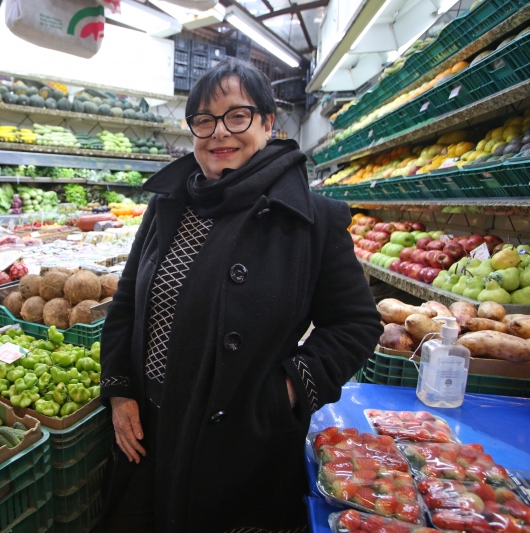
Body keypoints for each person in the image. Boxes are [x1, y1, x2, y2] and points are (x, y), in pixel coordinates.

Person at [97, 59, 383, 533]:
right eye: (203, 120)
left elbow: (356, 324)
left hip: (240, 441)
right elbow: (128, 302)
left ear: (269, 124)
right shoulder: (168, 206)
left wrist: (286, 390)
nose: (218, 133)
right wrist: (121, 389)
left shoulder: (310, 219)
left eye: (237, 116)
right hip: (153, 432)